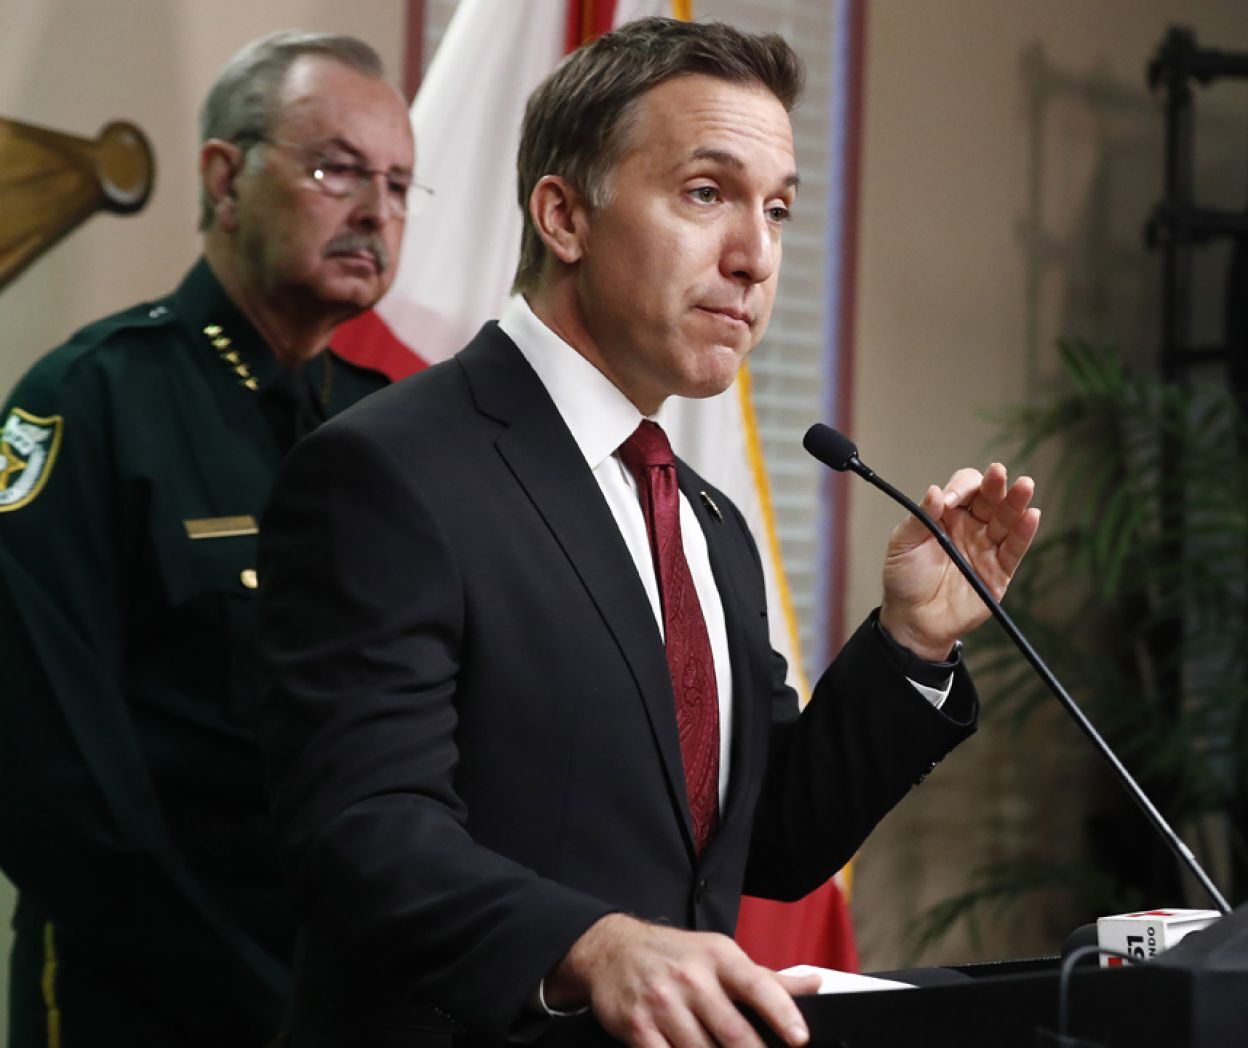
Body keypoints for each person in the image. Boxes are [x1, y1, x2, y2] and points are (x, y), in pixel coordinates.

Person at [257, 18, 1040, 1048]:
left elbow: (760, 842)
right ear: (564, 214)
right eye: (706, 194)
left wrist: (910, 646)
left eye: (778, 210)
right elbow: (358, 826)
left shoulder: (704, 523)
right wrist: (589, 945)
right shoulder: (388, 472)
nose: (755, 256)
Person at [0, 30, 412, 1047]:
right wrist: (261, 1008)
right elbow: (59, 789)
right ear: (225, 177)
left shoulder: (395, 433)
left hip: (354, 990)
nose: (374, 212)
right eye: (335, 170)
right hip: (143, 998)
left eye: (400, 186)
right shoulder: (88, 402)